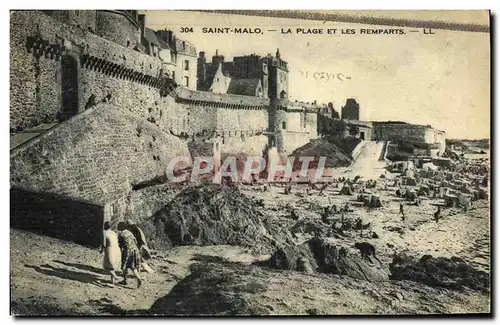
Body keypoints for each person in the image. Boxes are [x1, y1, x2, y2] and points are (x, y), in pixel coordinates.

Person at [117, 221, 143, 288]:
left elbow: (120, 245)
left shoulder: (121, 234)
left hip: (127, 251)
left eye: (118, 226)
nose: (117, 227)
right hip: (134, 250)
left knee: (124, 266)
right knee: (132, 266)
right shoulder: (129, 232)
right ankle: (138, 278)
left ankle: (125, 280)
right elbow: (135, 241)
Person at [101, 221, 121, 286]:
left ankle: (116, 277)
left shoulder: (105, 233)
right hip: (116, 249)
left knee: (108, 266)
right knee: (112, 267)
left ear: (105, 226)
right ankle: (112, 282)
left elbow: (104, 244)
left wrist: (102, 250)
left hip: (110, 249)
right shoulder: (113, 233)